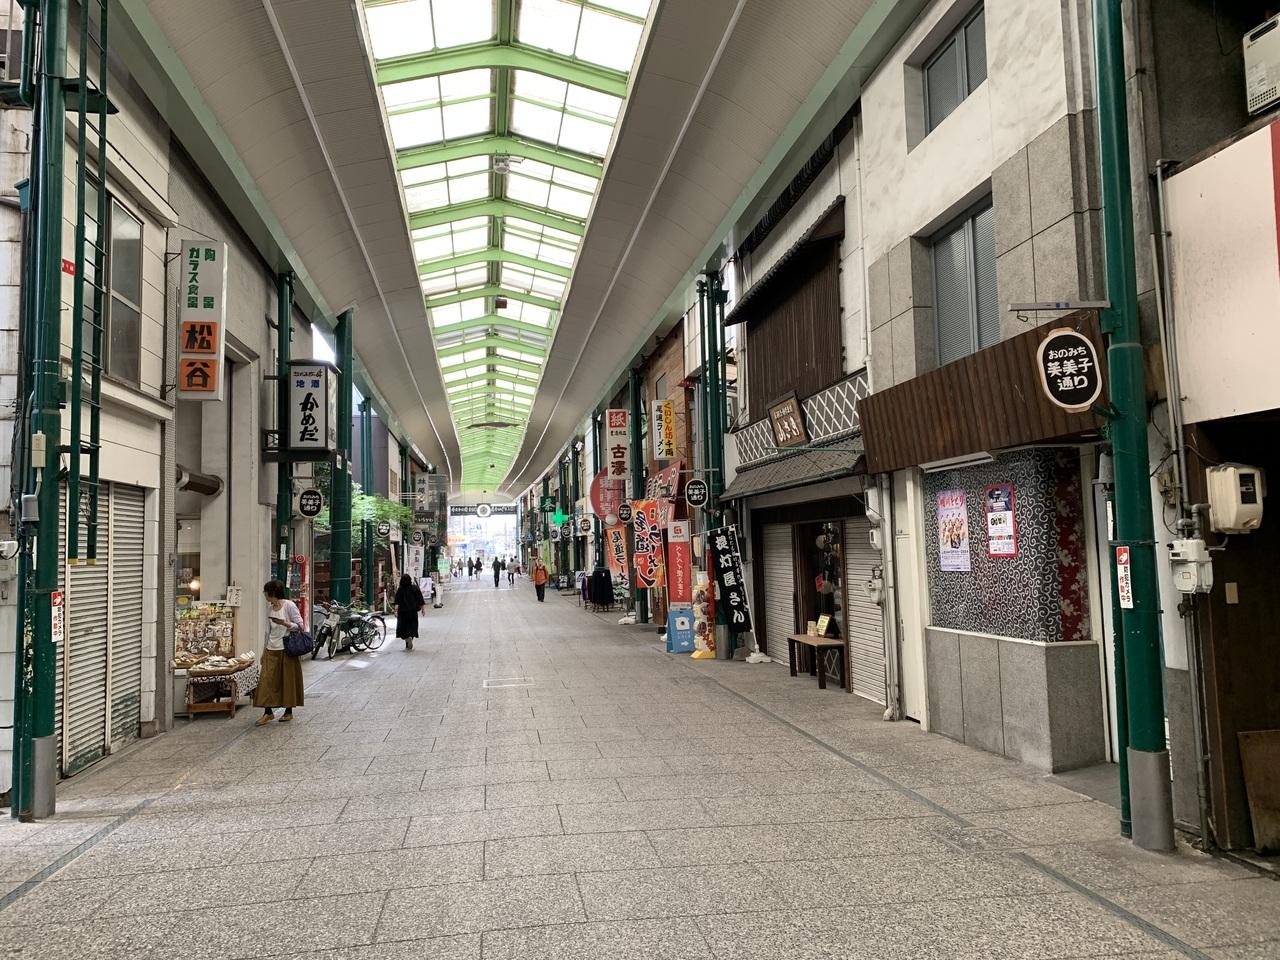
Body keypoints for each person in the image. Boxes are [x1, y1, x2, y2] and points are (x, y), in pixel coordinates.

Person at [255, 580, 304, 726]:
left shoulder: (289, 605)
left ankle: (288, 711)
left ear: (272, 593)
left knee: (287, 681)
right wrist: (264, 650)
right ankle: (268, 712)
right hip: (272, 648)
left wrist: (284, 623)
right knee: (266, 681)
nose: (265, 595)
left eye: (266, 593)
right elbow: (268, 631)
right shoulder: (270, 608)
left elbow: (300, 626)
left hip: (286, 648)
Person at [394, 573, 425, 651]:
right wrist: (423, 609)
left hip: (402, 612)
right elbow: (420, 599)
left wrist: (395, 611)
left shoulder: (400, 589)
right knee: (412, 626)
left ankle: (407, 640)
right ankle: (410, 637)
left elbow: (397, 601)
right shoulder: (414, 588)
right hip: (413, 611)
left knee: (403, 628)